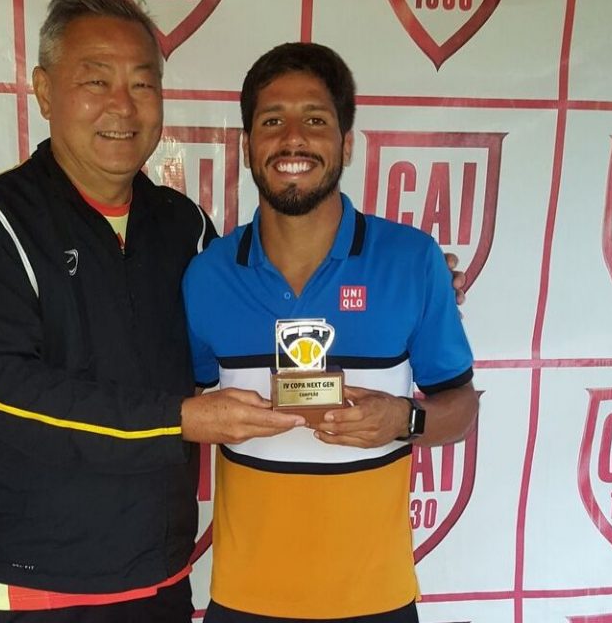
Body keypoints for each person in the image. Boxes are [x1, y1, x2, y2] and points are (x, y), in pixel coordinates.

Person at [0, 0, 302, 623]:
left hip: (163, 581)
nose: (123, 106)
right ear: (44, 91)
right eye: (96, 81)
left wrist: (399, 285)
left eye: (142, 83)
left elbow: (255, 323)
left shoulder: (182, 224)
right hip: (40, 594)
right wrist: (178, 420)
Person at [182, 42, 479, 623]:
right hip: (244, 599)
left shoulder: (412, 261)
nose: (293, 139)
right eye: (272, 122)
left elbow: (461, 408)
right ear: (246, 146)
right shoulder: (207, 276)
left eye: (315, 120)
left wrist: (404, 420)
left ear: (346, 144)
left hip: (376, 600)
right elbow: (183, 410)